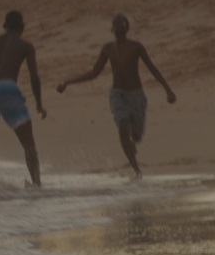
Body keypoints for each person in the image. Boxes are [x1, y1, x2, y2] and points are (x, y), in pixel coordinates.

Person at [56, 14, 176, 179]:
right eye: (116, 24)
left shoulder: (136, 47)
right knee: (122, 125)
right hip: (118, 94)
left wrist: (168, 90)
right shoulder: (108, 49)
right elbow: (94, 73)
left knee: (137, 136)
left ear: (127, 28)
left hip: (136, 95)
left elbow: (152, 68)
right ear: (112, 29)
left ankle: (133, 145)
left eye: (122, 24)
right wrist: (67, 82)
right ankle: (136, 170)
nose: (119, 26)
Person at [0, 9, 47, 192]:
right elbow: (34, 77)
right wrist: (39, 103)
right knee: (28, 142)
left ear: (4, 26)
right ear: (22, 27)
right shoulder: (25, 45)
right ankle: (37, 185)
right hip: (7, 89)